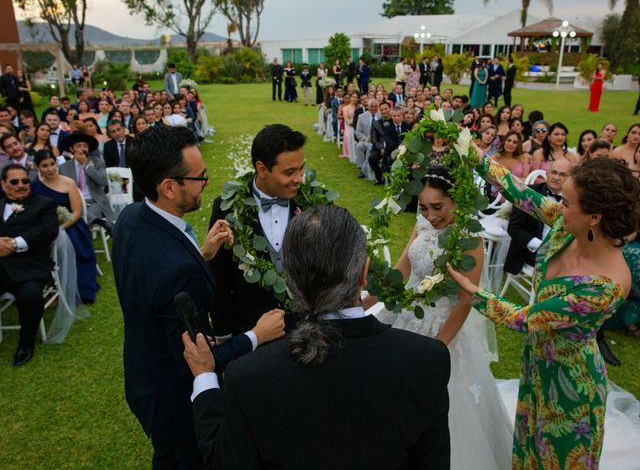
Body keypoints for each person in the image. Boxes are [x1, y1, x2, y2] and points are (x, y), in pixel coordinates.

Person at [184, 205, 452, 470]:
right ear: (363, 273)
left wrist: (205, 379)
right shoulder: (428, 360)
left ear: (290, 282)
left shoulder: (248, 378)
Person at [448, 156, 640, 469]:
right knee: (529, 450)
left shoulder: (606, 286)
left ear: (594, 216)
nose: (557, 206)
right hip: (538, 362)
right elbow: (521, 193)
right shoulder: (567, 225)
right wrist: (470, 151)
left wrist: (470, 291)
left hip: (570, 385)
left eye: (566, 202)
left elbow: (524, 319)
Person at [112, 125, 285, 470]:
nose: (206, 184)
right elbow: (198, 360)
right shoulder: (177, 271)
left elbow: (153, 283)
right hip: (173, 397)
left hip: (142, 373)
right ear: (169, 187)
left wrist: (201, 253)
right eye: (200, 178)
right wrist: (257, 335)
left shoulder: (132, 218)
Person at [363, 166, 512, 470]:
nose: (430, 215)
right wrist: (364, 302)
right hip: (408, 319)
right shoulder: (422, 224)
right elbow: (402, 270)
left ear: (455, 201)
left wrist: (438, 347)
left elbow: (465, 299)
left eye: (437, 207)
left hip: (445, 331)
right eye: (423, 207)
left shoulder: (469, 238)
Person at [208, 124, 305, 339]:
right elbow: (219, 277)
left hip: (305, 331)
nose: (299, 178)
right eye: (290, 172)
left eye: (301, 169)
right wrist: (224, 336)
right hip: (250, 333)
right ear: (261, 169)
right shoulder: (228, 208)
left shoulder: (309, 204)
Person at [0, 164, 59, 366]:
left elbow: (49, 231)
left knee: (30, 296)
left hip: (30, 267)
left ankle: (26, 343)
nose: (21, 185)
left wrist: (14, 243)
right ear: (3, 184)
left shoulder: (45, 204)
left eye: (25, 181)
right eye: (14, 182)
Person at [31, 150, 98, 303]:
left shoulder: (68, 182)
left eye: (52, 164)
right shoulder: (35, 186)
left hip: (71, 225)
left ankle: (80, 288)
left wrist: (62, 227)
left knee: (73, 245)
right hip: (46, 227)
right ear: (37, 167)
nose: (50, 169)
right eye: (44, 166)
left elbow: (76, 212)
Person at [504, 158, 571, 276]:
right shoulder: (528, 193)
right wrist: (541, 247)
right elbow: (514, 228)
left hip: (563, 253)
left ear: (570, 179)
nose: (556, 177)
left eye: (562, 174)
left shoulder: (573, 199)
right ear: (547, 173)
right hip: (531, 252)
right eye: (554, 172)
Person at [58, 131, 115, 234]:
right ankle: (101, 223)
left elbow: (103, 181)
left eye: (85, 146)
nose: (82, 149)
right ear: (71, 149)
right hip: (73, 203)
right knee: (76, 213)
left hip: (94, 202)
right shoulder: (63, 167)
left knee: (80, 216)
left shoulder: (98, 162)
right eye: (78, 146)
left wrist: (86, 166)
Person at [369, 104, 407, 185]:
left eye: (385, 109)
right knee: (372, 158)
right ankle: (380, 178)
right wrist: (381, 148)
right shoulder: (376, 123)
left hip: (397, 147)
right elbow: (374, 139)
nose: (384, 111)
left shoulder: (398, 122)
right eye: (382, 110)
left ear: (389, 109)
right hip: (384, 147)